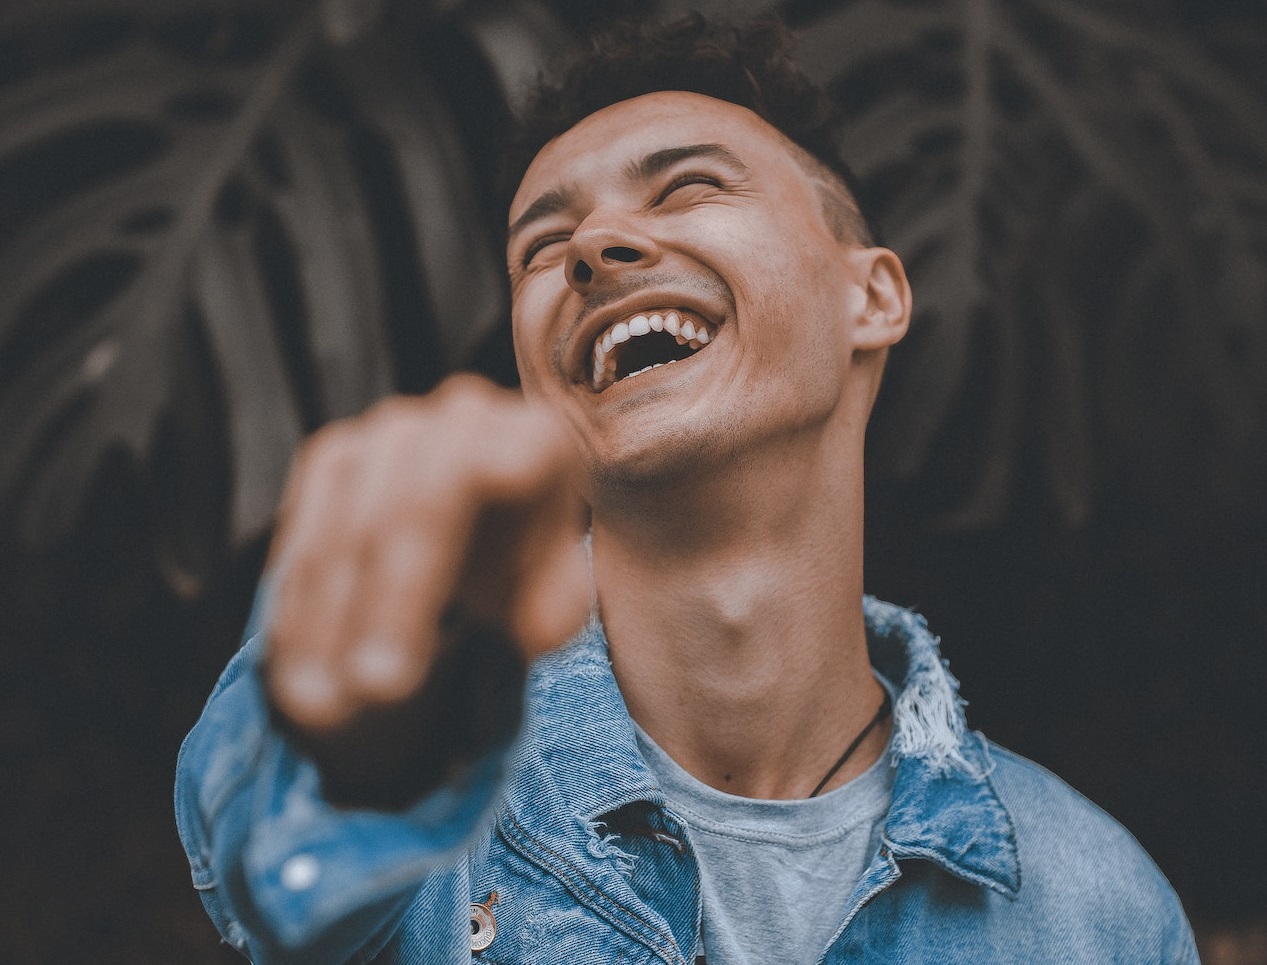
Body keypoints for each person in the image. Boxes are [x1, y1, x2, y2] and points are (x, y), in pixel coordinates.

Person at [176, 15, 1198, 964]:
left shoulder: (1095, 903)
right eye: (542, 245)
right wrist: (360, 757)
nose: (591, 249)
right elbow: (282, 861)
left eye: (686, 189)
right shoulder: (431, 767)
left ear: (872, 295)